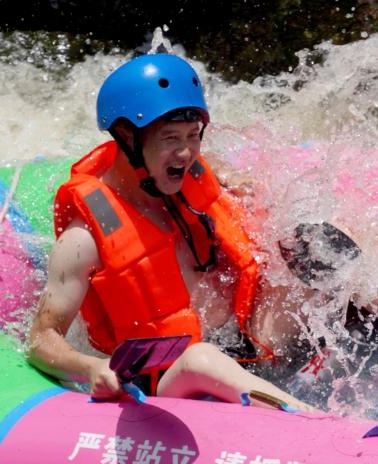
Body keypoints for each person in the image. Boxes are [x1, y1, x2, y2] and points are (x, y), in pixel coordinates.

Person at [26, 52, 310, 410]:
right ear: (127, 137)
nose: (186, 152)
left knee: (317, 252)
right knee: (200, 359)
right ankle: (313, 421)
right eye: (170, 138)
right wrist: (93, 367)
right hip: (169, 379)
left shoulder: (191, 182)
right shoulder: (83, 240)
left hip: (243, 345)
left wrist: (238, 183)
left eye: (193, 136)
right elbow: (41, 339)